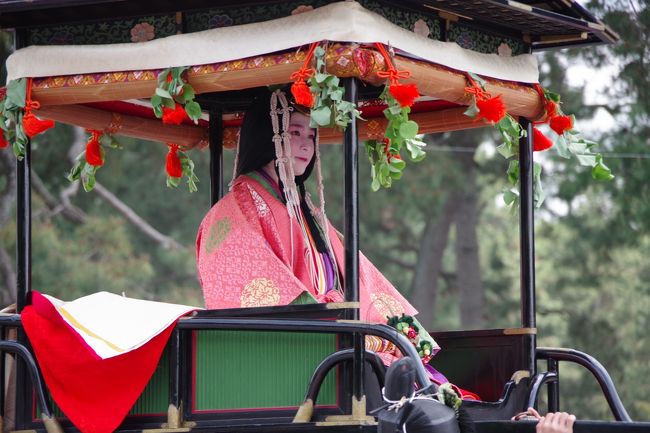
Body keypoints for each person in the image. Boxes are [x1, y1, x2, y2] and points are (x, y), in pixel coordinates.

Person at [195, 87, 480, 398]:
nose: (306, 145)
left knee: (412, 371)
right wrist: (329, 323)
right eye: (295, 132)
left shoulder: (304, 206)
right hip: (298, 343)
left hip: (335, 330)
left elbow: (354, 271)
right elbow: (254, 294)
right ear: (268, 136)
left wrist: (386, 328)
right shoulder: (234, 211)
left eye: (312, 136)